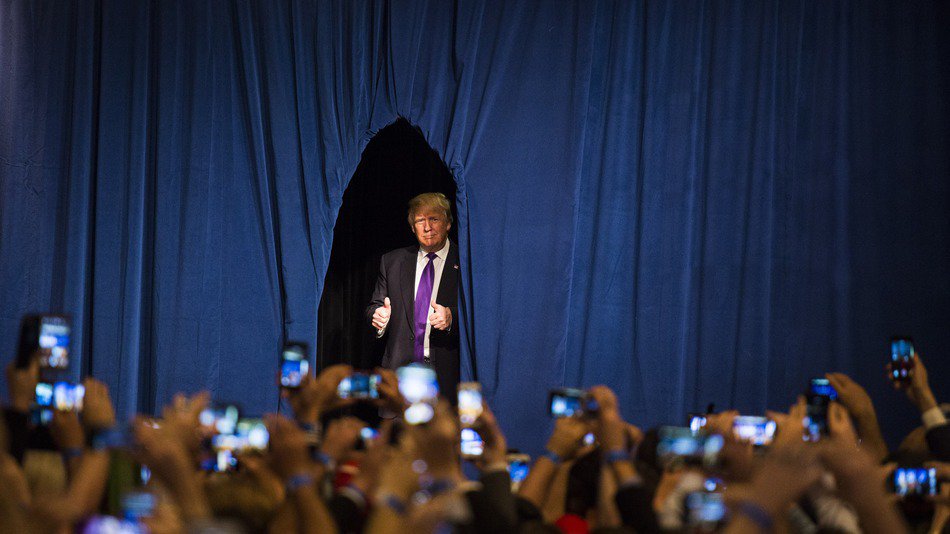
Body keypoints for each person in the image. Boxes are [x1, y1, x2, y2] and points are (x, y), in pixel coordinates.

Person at [366, 192, 460, 400]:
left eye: (434, 219)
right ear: (412, 227)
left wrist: (452, 317)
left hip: (446, 379)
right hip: (399, 377)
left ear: (448, 223)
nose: (427, 227)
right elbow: (375, 306)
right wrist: (379, 316)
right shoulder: (392, 261)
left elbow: (481, 314)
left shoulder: (465, 260)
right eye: (420, 221)